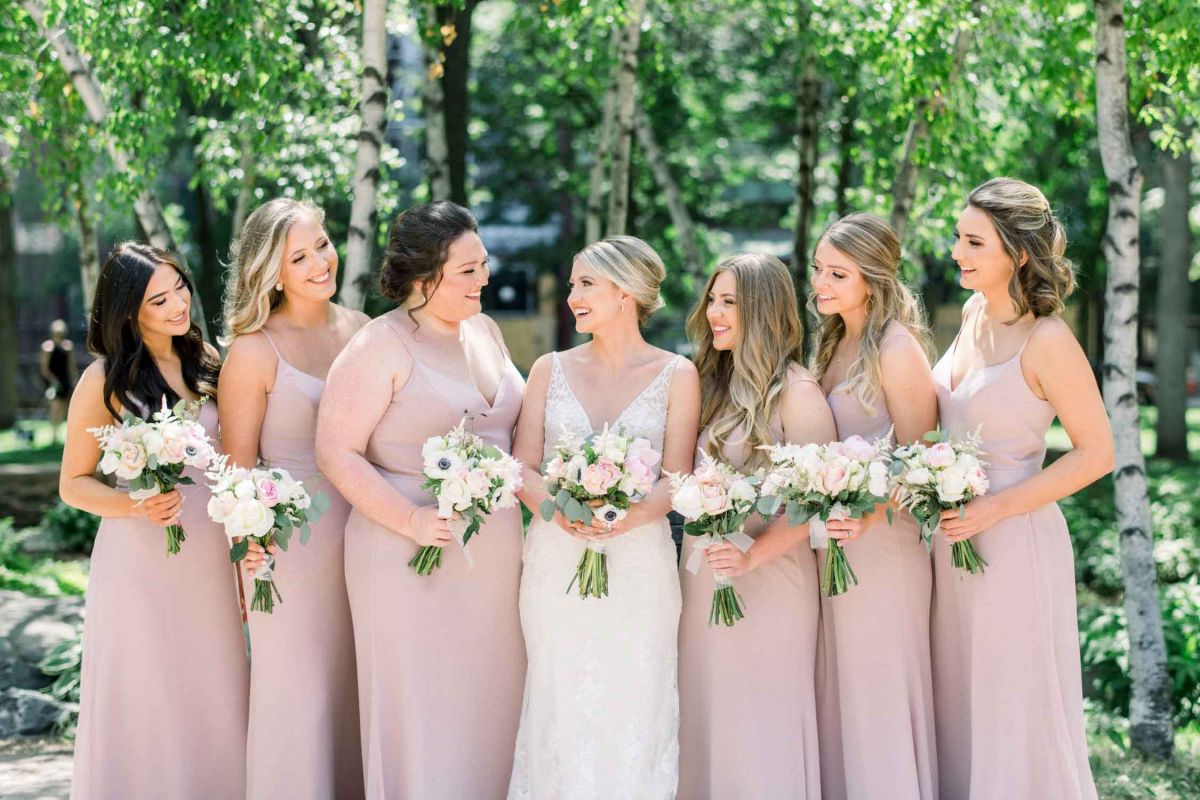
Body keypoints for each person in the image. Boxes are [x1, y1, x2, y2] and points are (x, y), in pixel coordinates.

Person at [316, 202, 526, 798]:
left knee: (491, 699)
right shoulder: (377, 345)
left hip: (492, 559)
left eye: (484, 265)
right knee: (421, 710)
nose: (484, 279)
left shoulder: (485, 330)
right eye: (467, 270)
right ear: (422, 275)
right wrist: (410, 519)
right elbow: (336, 453)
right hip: (407, 555)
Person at [932, 178, 1111, 798]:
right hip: (950, 538)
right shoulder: (974, 314)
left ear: (1020, 253)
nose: (958, 251)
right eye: (958, 237)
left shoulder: (1049, 340)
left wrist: (994, 510)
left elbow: (1098, 454)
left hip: (1014, 541)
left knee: (1013, 700)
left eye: (975, 242)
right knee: (960, 696)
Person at [507, 236, 700, 800]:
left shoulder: (677, 374)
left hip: (640, 564)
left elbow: (678, 478)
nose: (571, 297)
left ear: (627, 293)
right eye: (572, 284)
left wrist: (630, 515)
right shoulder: (549, 368)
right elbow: (523, 466)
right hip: (556, 560)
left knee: (636, 704)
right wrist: (560, 514)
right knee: (558, 700)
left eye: (585, 284)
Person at [60, 242, 247, 799]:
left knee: (215, 690)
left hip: (211, 559)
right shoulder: (104, 381)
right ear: (127, 310)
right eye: (157, 298)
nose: (176, 305)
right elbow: (73, 484)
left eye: (179, 288)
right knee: (148, 695)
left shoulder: (209, 360)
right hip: (140, 563)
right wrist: (133, 505)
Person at [218, 198, 367, 799]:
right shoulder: (254, 350)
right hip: (288, 550)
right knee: (297, 691)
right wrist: (245, 555)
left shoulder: (362, 331)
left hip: (366, 533)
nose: (319, 263)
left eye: (322, 245)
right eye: (298, 257)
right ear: (270, 271)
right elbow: (237, 469)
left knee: (358, 685)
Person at [677, 253, 834, 799]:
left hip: (771, 579)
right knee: (706, 712)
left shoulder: (797, 391)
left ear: (764, 312)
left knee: (760, 720)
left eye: (731, 304)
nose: (714, 313)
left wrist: (750, 557)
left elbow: (817, 502)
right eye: (713, 300)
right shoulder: (708, 383)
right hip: (702, 579)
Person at [808, 214, 939, 800]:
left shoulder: (895, 347)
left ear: (874, 278)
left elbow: (922, 456)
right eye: (817, 269)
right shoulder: (833, 340)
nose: (821, 283)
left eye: (838, 273)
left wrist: (864, 507)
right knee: (841, 688)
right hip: (833, 540)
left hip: (885, 544)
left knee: (878, 685)